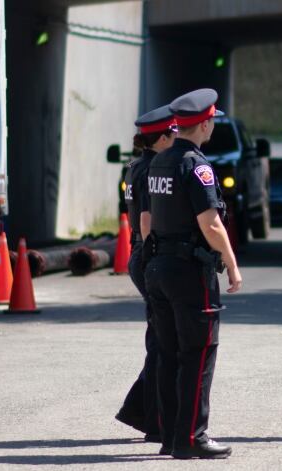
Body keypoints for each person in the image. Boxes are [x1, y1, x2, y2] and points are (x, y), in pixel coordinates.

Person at [144, 88, 242, 459]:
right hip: (188, 271)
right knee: (199, 353)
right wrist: (232, 264)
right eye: (212, 121)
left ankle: (171, 437)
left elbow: (149, 217)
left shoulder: (160, 162)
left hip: (159, 266)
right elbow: (211, 224)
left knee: (168, 353)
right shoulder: (195, 165)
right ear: (204, 123)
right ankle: (193, 437)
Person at [115, 105, 177, 443]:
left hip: (140, 254)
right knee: (164, 342)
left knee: (161, 339)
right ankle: (151, 416)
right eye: (175, 133)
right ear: (164, 136)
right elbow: (146, 220)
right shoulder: (154, 167)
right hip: (151, 252)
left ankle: (146, 413)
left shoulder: (134, 166)